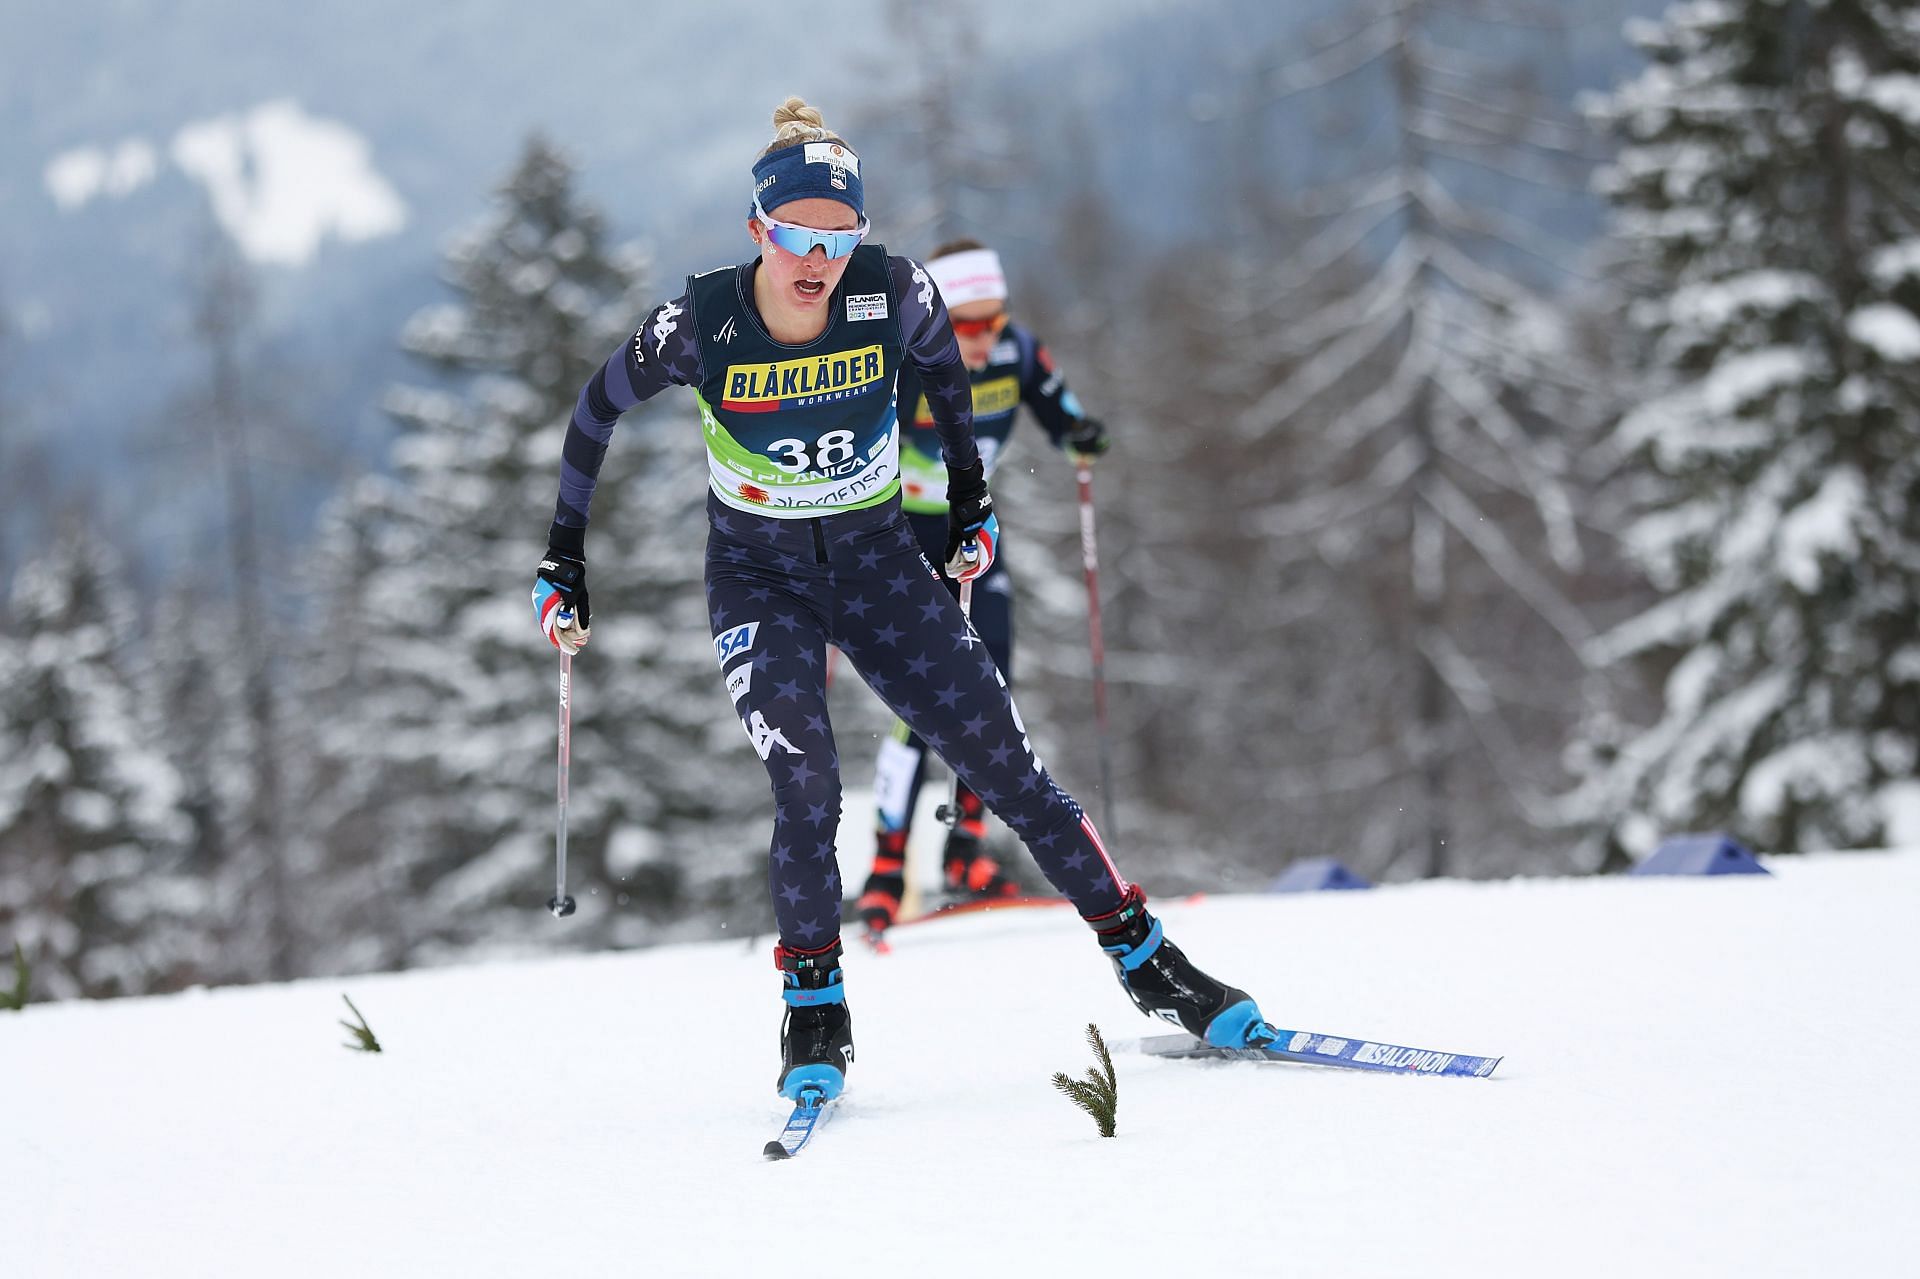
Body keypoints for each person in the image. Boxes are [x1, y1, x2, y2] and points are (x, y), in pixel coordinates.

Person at [531, 98, 1273, 1105]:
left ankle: (1151, 963)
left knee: (1008, 769)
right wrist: (564, 560)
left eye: (842, 237)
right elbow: (593, 410)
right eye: (797, 233)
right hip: (762, 578)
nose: (819, 258)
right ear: (758, 228)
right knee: (806, 781)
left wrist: (972, 502)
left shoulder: (896, 296)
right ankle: (815, 1010)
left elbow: (943, 381)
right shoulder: (698, 325)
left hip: (880, 564)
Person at [854, 238, 1110, 939]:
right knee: (918, 704)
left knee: (991, 687)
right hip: (899, 539)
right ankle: (887, 868)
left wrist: (1080, 436)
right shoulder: (903, 361)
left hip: (973, 537)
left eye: (992, 322)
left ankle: (966, 850)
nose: (982, 339)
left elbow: (1064, 415)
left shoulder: (1016, 353)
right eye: (966, 325)